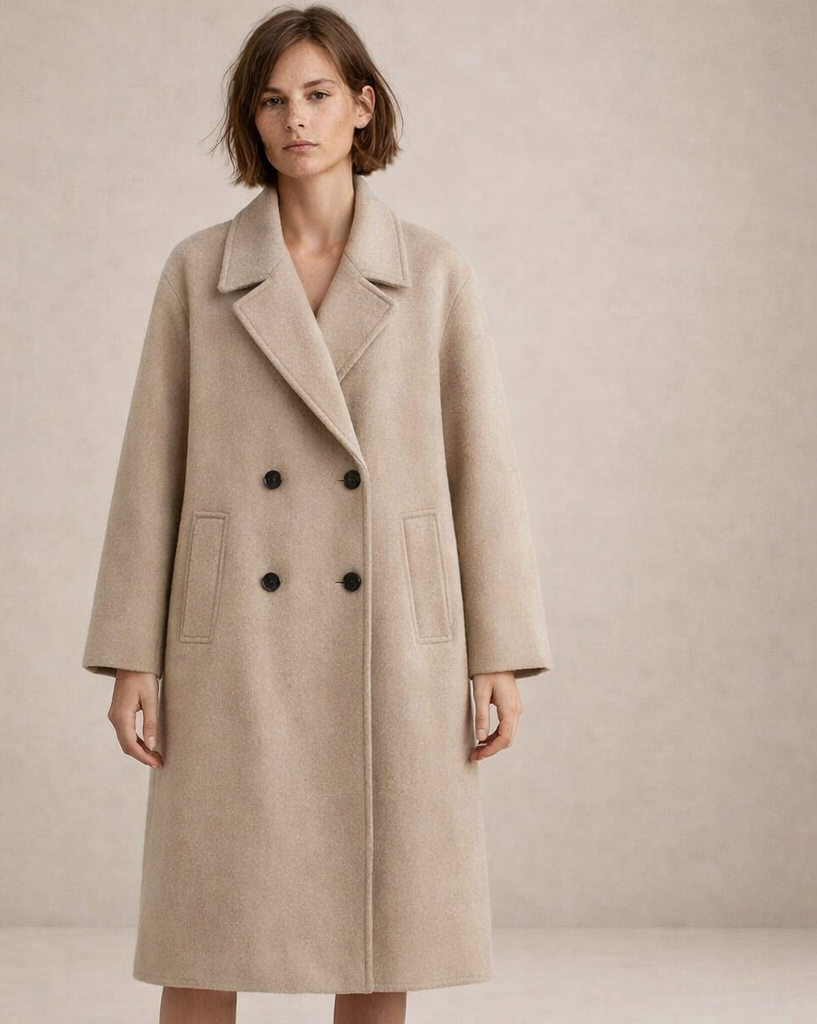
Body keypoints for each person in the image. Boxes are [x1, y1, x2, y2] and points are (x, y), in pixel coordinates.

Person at [82, 6, 553, 1023]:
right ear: (251, 121)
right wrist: (130, 654)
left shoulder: (431, 272)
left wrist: (500, 652)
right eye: (271, 99)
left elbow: (480, 467)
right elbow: (150, 467)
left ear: (362, 107)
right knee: (206, 917)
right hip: (230, 640)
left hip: (391, 632)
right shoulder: (199, 271)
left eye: (317, 93)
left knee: (381, 928)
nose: (294, 118)